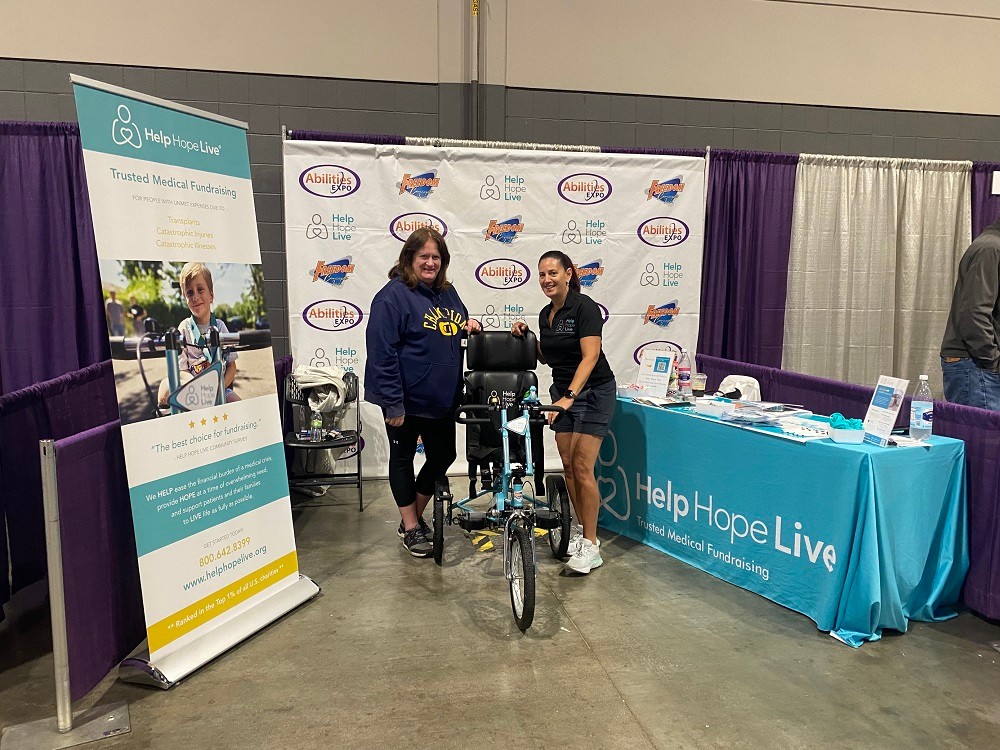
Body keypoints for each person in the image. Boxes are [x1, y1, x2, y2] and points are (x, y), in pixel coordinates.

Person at [364, 228, 481, 558]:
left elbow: (451, 323)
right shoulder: (392, 297)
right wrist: (393, 402)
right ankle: (412, 527)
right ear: (409, 259)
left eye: (436, 257)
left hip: (441, 398)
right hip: (406, 400)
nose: (430, 263)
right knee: (402, 459)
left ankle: (410, 517)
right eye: (423, 257)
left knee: (444, 455)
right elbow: (382, 352)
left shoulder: (447, 292)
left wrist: (467, 326)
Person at [512, 250, 616, 575]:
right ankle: (585, 536)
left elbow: (590, 356)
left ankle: (592, 546)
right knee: (569, 466)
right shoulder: (547, 314)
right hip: (563, 394)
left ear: (568, 274)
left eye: (553, 273)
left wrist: (570, 396)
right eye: (542, 274)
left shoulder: (585, 308)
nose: (547, 280)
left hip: (593, 392)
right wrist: (528, 337)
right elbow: (549, 356)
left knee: (583, 467)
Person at [159, 262, 240, 407]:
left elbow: (231, 367)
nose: (195, 297)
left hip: (219, 389)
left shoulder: (220, 326)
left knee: (240, 407)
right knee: (164, 389)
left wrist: (217, 390)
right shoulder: (184, 328)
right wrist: (196, 389)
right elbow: (182, 370)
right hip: (192, 390)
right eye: (189, 292)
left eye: (200, 289)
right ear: (185, 298)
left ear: (211, 296)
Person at [941, 218, 1000, 410]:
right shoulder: (990, 248)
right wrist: (992, 360)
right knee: (982, 438)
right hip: (976, 365)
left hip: (978, 365)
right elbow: (974, 313)